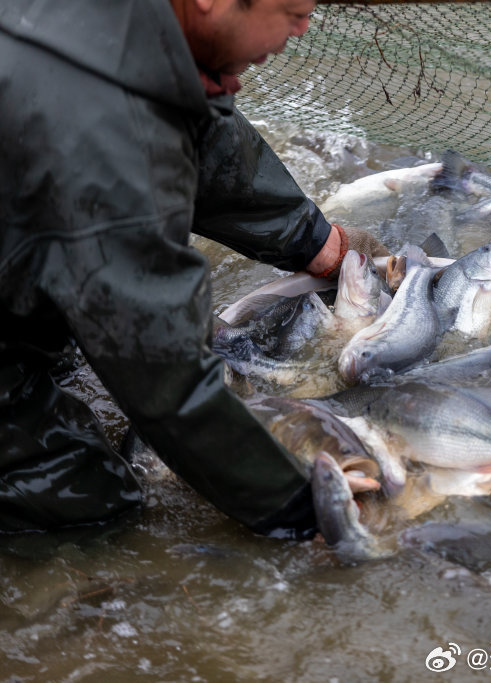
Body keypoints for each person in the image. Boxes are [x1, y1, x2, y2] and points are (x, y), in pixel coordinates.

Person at [0, 0, 385, 539]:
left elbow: (194, 124)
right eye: (293, 11)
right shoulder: (104, 139)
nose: (302, 30)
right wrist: (299, 506)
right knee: (93, 503)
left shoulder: (133, 33)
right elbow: (158, 366)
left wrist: (311, 240)